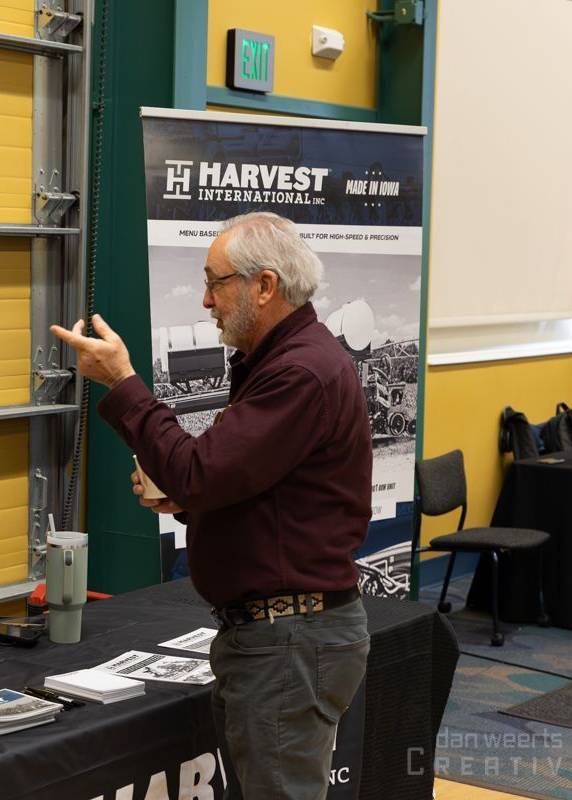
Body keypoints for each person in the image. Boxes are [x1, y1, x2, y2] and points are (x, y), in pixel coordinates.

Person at [52, 211, 371, 799]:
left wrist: (123, 382)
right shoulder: (289, 362)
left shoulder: (299, 372)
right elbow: (259, 492)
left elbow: (202, 471)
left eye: (215, 282)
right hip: (281, 636)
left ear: (265, 285)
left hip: (289, 642)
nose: (205, 299)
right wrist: (191, 503)